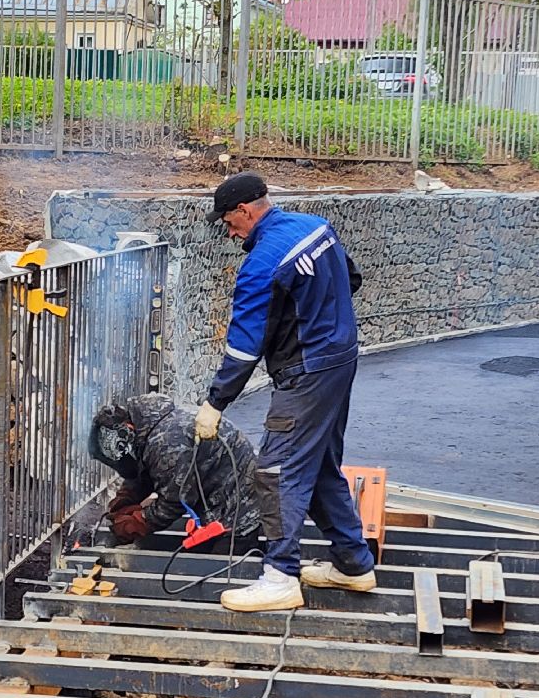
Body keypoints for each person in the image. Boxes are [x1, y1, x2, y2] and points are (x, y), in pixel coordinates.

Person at [194, 173, 376, 612]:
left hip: (306, 373)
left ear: (245, 210)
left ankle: (279, 577)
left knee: (275, 470)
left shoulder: (262, 264)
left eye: (228, 221)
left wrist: (215, 403)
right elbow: (350, 278)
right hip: (340, 359)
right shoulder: (315, 226)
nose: (228, 231)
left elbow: (243, 345)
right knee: (319, 465)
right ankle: (353, 564)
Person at [88, 394, 261, 549]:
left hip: (238, 506)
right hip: (217, 494)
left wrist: (135, 523)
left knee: (220, 567)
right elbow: (148, 472)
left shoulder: (168, 443)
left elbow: (173, 503)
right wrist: (125, 499)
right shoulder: (151, 426)